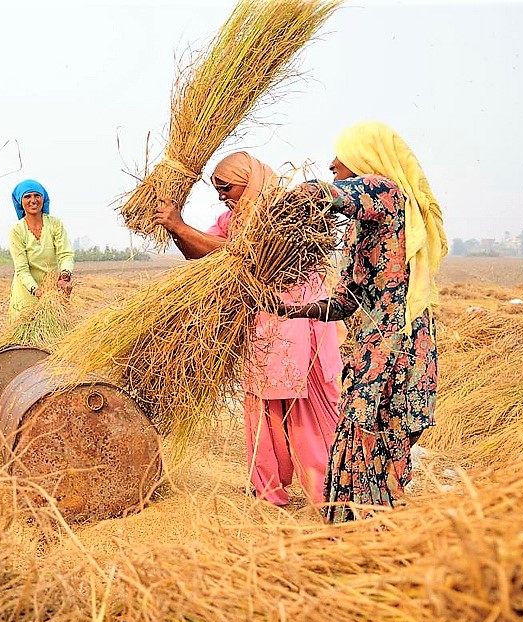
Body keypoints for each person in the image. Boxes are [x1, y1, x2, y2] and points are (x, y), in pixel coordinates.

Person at [276, 122, 445, 523]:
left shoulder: (386, 192)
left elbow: (322, 192)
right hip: (376, 343)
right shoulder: (364, 225)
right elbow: (347, 300)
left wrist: (275, 207)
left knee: (378, 439)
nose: (333, 164)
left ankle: (371, 534)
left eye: (341, 157)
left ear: (364, 160)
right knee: (367, 441)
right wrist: (295, 310)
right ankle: (369, 535)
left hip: (396, 344)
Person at [155, 151, 343, 507]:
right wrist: (175, 228)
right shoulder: (233, 218)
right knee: (262, 405)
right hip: (263, 324)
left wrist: (181, 226)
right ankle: (268, 487)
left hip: (297, 318)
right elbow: (200, 253)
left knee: (303, 405)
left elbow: (245, 253)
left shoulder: (285, 213)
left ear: (250, 179)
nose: (223, 195)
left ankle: (328, 489)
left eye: (227, 187)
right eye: (218, 189)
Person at [7, 179, 74, 320]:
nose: (33, 200)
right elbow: (22, 269)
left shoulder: (55, 224)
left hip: (53, 288)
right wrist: (37, 291)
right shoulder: (17, 231)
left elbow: (66, 254)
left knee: (56, 333)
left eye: (37, 195)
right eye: (27, 196)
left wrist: (65, 276)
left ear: (44, 199)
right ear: (20, 201)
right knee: (25, 334)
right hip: (26, 292)